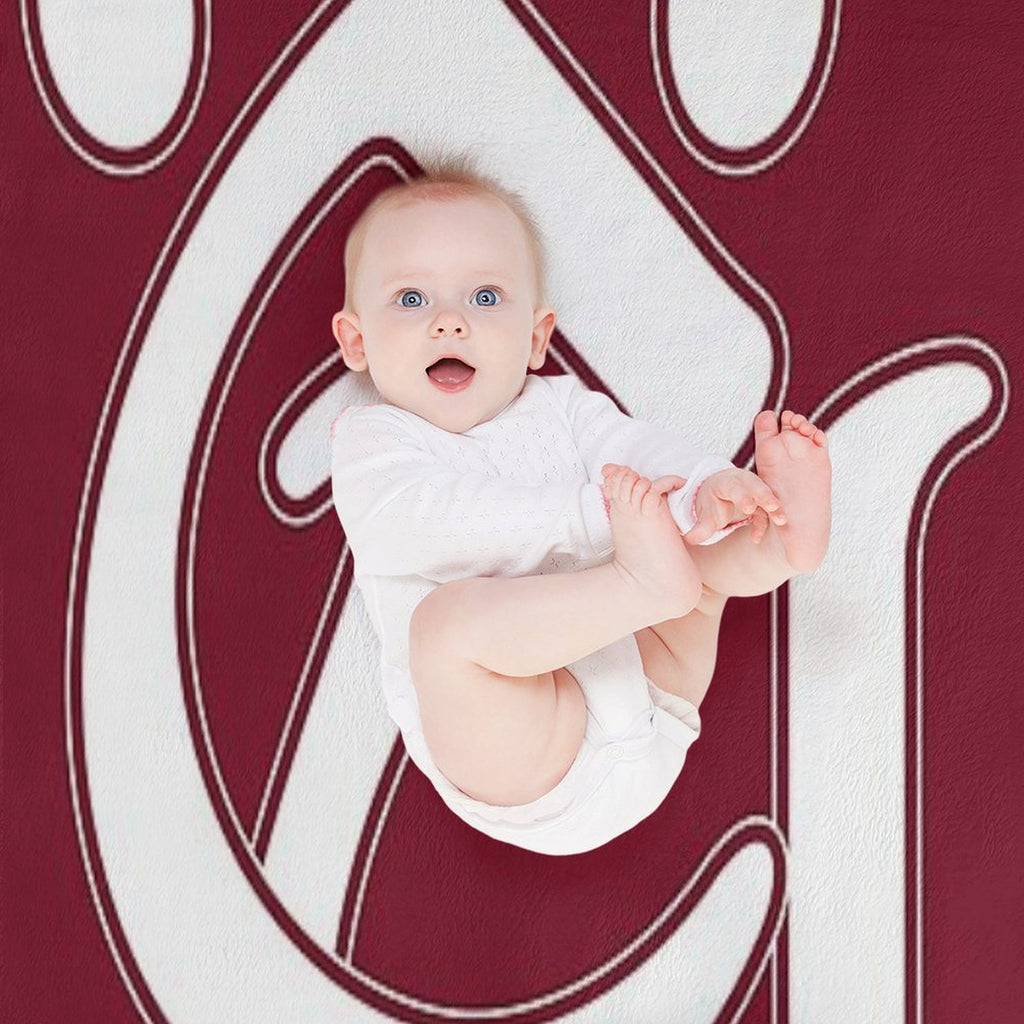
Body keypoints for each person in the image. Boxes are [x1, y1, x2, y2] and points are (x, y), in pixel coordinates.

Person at [329, 155, 831, 855]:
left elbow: (641, 453)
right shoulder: (372, 442)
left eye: (485, 298)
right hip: (531, 754)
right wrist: (601, 518)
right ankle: (646, 582)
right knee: (444, 630)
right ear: (356, 341)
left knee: (697, 551)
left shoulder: (560, 406)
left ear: (537, 338)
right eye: (412, 300)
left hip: (654, 688)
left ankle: (777, 542)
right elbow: (424, 524)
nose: (449, 323)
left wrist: (707, 488)